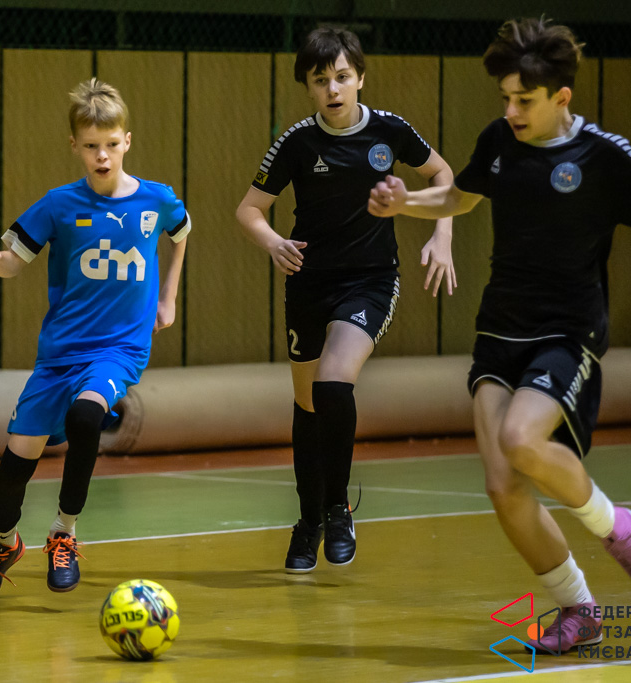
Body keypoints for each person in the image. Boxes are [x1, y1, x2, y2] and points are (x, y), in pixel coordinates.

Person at [368, 17, 631, 654]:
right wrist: (405, 204)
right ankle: (580, 611)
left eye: (525, 100)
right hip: (500, 329)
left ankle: (616, 527)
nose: (511, 111)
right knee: (502, 486)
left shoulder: (604, 156)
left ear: (562, 97)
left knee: (521, 439)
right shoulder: (498, 140)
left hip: (568, 331)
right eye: (505, 98)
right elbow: (459, 198)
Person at [235, 25, 456, 573]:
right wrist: (273, 242)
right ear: (308, 87)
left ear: (360, 78)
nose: (332, 89)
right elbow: (249, 210)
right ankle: (307, 522)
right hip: (308, 283)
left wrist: (442, 235)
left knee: (333, 383)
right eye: (320, 80)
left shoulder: (390, 130)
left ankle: (337, 510)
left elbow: (442, 173)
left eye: (341, 77)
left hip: (370, 281)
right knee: (307, 406)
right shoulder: (296, 142)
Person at [0, 78, 191, 598]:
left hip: (119, 350)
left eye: (111, 144)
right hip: (59, 354)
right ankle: (3, 543)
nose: (102, 155)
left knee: (87, 417)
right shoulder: (58, 205)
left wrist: (169, 298)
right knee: (14, 468)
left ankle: (63, 532)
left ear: (127, 141)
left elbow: (182, 233)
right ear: (74, 146)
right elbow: (13, 263)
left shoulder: (156, 200)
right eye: (91, 146)